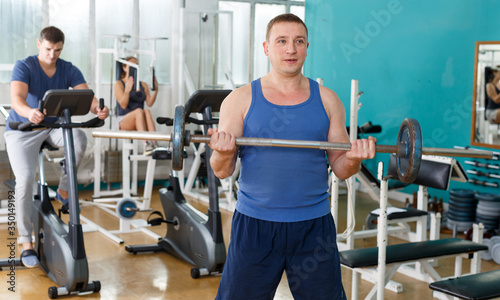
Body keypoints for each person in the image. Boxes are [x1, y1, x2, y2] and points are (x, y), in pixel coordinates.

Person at [208, 13, 376, 299]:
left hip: (314, 227)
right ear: (266, 48)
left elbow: (340, 168)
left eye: (299, 41)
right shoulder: (240, 99)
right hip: (255, 226)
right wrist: (223, 152)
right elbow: (222, 170)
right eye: (282, 41)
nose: (291, 49)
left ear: (307, 47)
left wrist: (354, 158)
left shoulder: (327, 99)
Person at [5, 26, 109, 268]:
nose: (53, 55)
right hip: (22, 131)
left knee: (80, 139)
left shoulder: (68, 68)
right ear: (39, 44)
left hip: (52, 127)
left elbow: (88, 97)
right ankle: (25, 242)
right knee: (25, 179)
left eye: (58, 50)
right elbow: (17, 99)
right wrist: (29, 112)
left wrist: (99, 109)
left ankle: (63, 192)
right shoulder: (25, 66)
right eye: (49, 49)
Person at [114, 56, 159, 155]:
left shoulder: (143, 84)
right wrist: (127, 90)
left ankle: (154, 143)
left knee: (146, 111)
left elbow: (149, 103)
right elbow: (123, 105)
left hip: (139, 120)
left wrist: (156, 90)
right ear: (125, 68)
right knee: (139, 111)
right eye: (132, 65)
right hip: (123, 120)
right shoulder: (119, 84)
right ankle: (146, 145)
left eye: (136, 65)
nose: (135, 68)